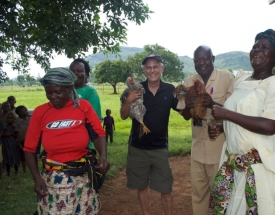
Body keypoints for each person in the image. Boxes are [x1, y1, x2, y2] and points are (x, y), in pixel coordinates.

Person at [209, 29, 275, 215]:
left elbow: (270, 126)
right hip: (235, 165)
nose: (257, 50)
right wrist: (223, 127)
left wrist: (226, 115)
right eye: (255, 46)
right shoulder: (241, 81)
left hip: (262, 168)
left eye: (265, 47)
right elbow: (242, 115)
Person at [23, 67, 109, 214]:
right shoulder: (41, 112)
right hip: (55, 178)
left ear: (69, 88)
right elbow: (30, 148)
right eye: (48, 92)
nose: (53, 96)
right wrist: (36, 178)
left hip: (83, 176)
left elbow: (98, 134)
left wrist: (102, 156)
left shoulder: (83, 107)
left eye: (57, 92)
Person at [177, 45, 234, 215]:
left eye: (205, 58)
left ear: (213, 59)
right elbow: (185, 115)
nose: (201, 62)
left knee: (222, 195)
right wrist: (189, 105)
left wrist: (212, 103)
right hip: (198, 151)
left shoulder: (227, 78)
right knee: (199, 195)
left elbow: (234, 113)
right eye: (197, 60)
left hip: (220, 149)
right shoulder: (188, 82)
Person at [120, 54, 179, 215]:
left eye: (155, 66)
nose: (152, 70)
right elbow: (123, 116)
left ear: (161, 69)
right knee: (142, 186)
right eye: (148, 67)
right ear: (144, 70)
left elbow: (183, 110)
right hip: (138, 147)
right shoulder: (137, 89)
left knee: (166, 188)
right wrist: (129, 100)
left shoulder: (169, 89)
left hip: (160, 147)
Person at [70, 58, 102, 149]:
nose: (76, 74)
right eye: (73, 71)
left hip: (83, 141)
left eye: (80, 71)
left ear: (87, 74)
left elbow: (94, 119)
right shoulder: (64, 91)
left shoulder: (91, 91)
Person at [14, 105, 30, 174]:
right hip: (22, 140)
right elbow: (17, 132)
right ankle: (24, 170)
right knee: (23, 157)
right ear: (20, 113)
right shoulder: (17, 121)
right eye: (25, 110)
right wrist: (19, 142)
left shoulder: (29, 119)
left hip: (29, 140)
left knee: (31, 154)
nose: (27, 111)